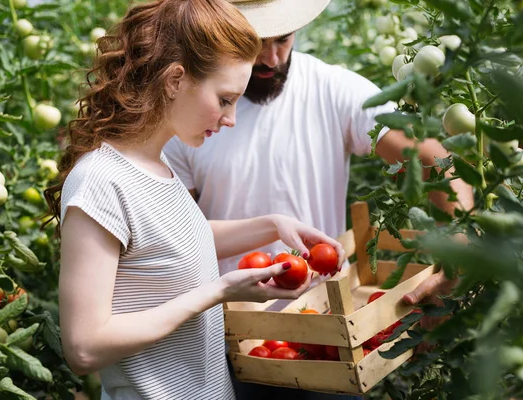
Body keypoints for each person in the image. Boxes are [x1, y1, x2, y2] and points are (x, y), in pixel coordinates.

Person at [163, 0, 475, 398]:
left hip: (330, 335)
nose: (272, 57)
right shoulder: (193, 112)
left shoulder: (333, 88)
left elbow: (435, 160)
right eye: (256, 41)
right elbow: (178, 234)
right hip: (231, 341)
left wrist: (459, 241)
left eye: (283, 39)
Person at [44, 1, 345, 399]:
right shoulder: (101, 181)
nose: (231, 118)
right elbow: (84, 347)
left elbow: (169, 246)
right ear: (174, 80)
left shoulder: (157, 164)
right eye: (224, 99)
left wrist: (273, 224)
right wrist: (218, 292)